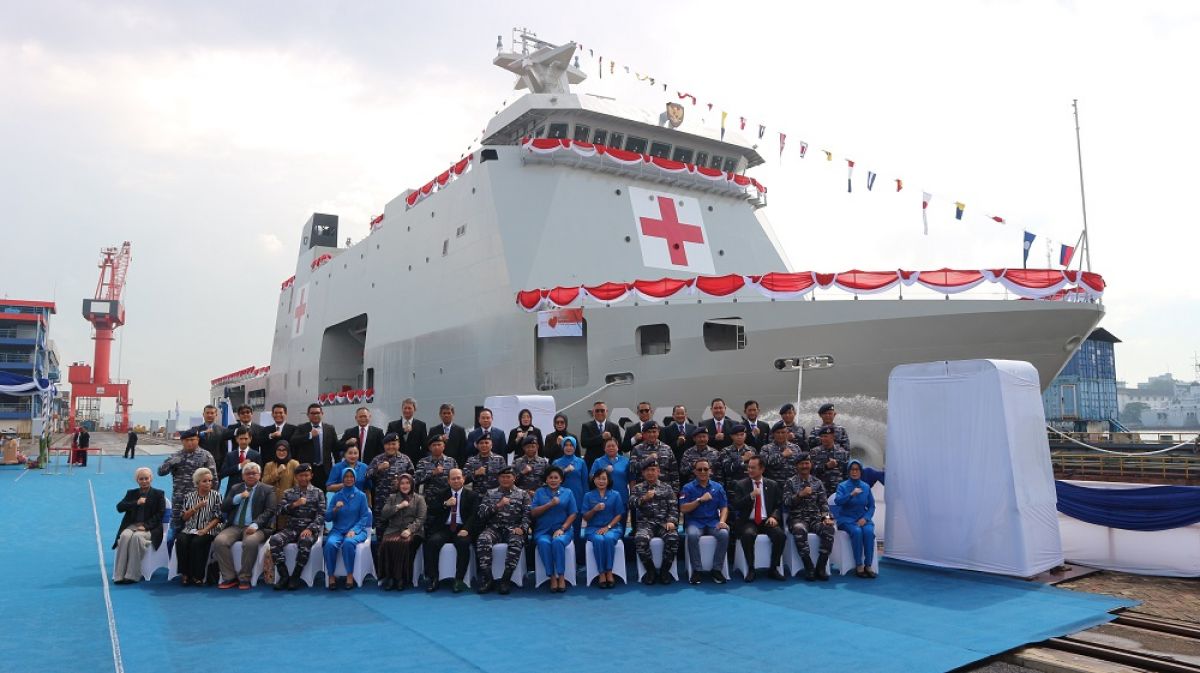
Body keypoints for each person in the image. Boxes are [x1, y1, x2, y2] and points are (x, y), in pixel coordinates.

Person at [213, 461, 277, 589]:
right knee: (219, 541)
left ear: (259, 475)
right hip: (235, 526)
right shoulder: (235, 488)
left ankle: (245, 578)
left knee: (250, 542)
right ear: (243, 476)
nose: (251, 476)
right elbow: (224, 507)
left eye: (254, 473)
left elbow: (270, 511)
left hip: (257, 528)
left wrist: (255, 525)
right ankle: (229, 577)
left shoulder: (268, 489)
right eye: (248, 473)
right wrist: (237, 498)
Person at [475, 466, 531, 595]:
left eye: (508, 477)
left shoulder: (523, 494)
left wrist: (522, 528)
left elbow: (527, 515)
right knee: (483, 539)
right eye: (502, 477)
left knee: (516, 541)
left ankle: (506, 579)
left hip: (513, 528)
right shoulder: (490, 493)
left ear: (514, 478)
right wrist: (498, 506)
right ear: (498, 479)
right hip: (494, 528)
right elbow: (481, 514)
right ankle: (488, 579)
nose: (505, 479)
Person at [731, 456, 786, 582]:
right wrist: (750, 496)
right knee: (748, 535)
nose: (749, 470)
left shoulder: (772, 484)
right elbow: (736, 505)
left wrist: (774, 516)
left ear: (762, 469)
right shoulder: (740, 484)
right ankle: (751, 568)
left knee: (780, 535)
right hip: (748, 521)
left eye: (753, 468)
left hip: (766, 520)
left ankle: (773, 568)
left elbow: (778, 505)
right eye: (749, 467)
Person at [422, 468, 478, 593]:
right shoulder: (441, 493)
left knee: (463, 544)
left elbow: (474, 515)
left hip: (462, 527)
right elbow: (432, 510)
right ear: (448, 481)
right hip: (445, 528)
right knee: (431, 543)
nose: (456, 481)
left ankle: (459, 579)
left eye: (458, 478)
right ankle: (433, 579)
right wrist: (445, 504)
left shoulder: (472, 495)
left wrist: (466, 529)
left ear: (463, 479)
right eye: (453, 479)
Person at [158, 428, 217, 540]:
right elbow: (160, 472)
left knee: (196, 534)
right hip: (179, 502)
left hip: (198, 502)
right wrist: (171, 463)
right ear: (182, 441)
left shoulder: (206, 456)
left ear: (198, 440)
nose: (190, 442)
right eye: (187, 440)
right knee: (173, 534)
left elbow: (214, 480)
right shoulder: (175, 456)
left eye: (192, 439)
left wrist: (209, 500)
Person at [783, 456, 835, 581]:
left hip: (815, 519)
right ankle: (809, 566)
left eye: (807, 463)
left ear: (811, 465)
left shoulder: (817, 482)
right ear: (797, 466)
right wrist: (799, 495)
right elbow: (786, 502)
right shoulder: (790, 482)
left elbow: (824, 504)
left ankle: (821, 567)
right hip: (797, 518)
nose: (804, 466)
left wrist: (826, 517)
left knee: (829, 529)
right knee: (799, 530)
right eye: (801, 464)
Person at [679, 458, 729, 585]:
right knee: (692, 535)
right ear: (695, 472)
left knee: (724, 534)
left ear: (710, 471)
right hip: (694, 522)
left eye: (705, 469)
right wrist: (700, 500)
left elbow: (724, 507)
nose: (702, 472)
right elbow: (683, 509)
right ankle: (697, 570)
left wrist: (722, 521)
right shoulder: (687, 488)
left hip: (713, 522)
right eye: (699, 469)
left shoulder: (718, 487)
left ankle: (717, 569)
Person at [112, 467, 166, 584]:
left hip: (150, 528)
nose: (144, 481)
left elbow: (160, 514)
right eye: (141, 479)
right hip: (132, 526)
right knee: (124, 536)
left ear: (151, 478)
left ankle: (132, 575)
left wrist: (146, 526)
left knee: (137, 537)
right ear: (137, 480)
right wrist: (136, 502)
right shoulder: (131, 493)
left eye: (146, 478)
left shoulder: (158, 494)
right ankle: (119, 575)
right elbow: (119, 507)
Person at [630, 463, 679, 585]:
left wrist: (671, 521)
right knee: (640, 539)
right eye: (647, 470)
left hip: (664, 523)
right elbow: (631, 504)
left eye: (653, 470)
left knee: (673, 537)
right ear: (643, 473)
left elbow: (674, 507)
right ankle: (650, 570)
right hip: (645, 524)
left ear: (658, 472)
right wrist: (644, 498)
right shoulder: (637, 488)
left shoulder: (667, 487)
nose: (650, 473)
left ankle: (665, 570)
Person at [531, 466, 578, 593]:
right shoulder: (539, 492)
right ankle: (552, 576)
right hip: (543, 531)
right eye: (550, 477)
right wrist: (549, 504)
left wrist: (562, 528)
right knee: (544, 543)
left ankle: (561, 576)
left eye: (556, 477)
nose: (553, 480)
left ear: (561, 480)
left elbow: (573, 513)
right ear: (546, 480)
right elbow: (533, 513)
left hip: (563, 529)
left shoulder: (568, 492)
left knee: (558, 541)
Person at [174, 467, 223, 586]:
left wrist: (205, 530)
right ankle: (185, 574)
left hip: (209, 529)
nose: (208, 483)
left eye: (210, 481)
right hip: (190, 528)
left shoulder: (216, 496)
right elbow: (184, 517)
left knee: (197, 543)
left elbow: (218, 518)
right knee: (181, 541)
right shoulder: (189, 496)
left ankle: (198, 575)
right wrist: (196, 507)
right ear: (197, 483)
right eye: (204, 481)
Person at [323, 467, 371, 589]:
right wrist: (335, 509)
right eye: (346, 477)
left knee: (348, 543)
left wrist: (354, 530)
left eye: (351, 477)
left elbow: (364, 516)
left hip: (357, 531)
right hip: (338, 530)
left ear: (355, 479)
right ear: (342, 479)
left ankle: (350, 575)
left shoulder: (361, 496)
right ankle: (331, 576)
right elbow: (327, 518)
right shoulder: (336, 496)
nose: (349, 479)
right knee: (329, 544)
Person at [377, 473, 425, 591]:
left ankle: (401, 578)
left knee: (404, 543)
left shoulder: (419, 498)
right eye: (402, 483)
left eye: (407, 483)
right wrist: (398, 506)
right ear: (398, 485)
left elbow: (421, 519)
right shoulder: (392, 497)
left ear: (412, 484)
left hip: (413, 531)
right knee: (387, 543)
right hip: (393, 529)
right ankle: (389, 577)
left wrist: (410, 530)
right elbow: (384, 514)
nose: (405, 486)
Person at [582, 469, 625, 588]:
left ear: (608, 480)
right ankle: (601, 572)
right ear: (594, 480)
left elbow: (619, 515)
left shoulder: (615, 494)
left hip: (613, 528)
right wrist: (594, 509)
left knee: (609, 539)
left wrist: (608, 527)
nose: (601, 481)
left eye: (604, 479)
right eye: (598, 478)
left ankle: (609, 571)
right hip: (593, 528)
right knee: (599, 539)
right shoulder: (588, 496)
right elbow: (585, 517)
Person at [834, 460, 877, 578]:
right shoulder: (842, 486)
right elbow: (838, 501)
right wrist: (851, 494)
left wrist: (866, 518)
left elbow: (871, 506)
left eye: (856, 469)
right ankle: (859, 565)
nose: (854, 472)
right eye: (852, 469)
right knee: (857, 532)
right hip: (846, 519)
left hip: (862, 518)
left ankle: (868, 565)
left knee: (868, 532)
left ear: (860, 471)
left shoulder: (866, 486)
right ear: (848, 472)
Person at [366, 433, 415, 528]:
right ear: (384, 446)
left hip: (400, 502)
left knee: (399, 530)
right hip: (381, 501)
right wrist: (378, 468)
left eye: (393, 444)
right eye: (388, 444)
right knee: (381, 529)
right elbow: (367, 475)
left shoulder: (406, 459)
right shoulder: (378, 459)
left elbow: (413, 478)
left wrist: (403, 483)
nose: (391, 447)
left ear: (398, 445)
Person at [553, 436, 587, 560]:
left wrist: (585, 501)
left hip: (577, 498)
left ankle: (577, 558)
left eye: (571, 445)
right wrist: (564, 471)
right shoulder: (556, 463)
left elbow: (585, 483)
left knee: (576, 529)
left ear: (575, 447)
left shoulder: (581, 462)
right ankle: (563, 558)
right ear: (562, 447)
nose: (568, 448)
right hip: (561, 500)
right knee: (561, 527)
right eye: (566, 445)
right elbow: (552, 481)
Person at [290, 403, 337, 488]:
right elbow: (293, 441)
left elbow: (335, 447)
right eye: (312, 413)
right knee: (306, 492)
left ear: (322, 414)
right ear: (308, 415)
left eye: (317, 413)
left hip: (324, 469)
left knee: (323, 493)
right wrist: (309, 435)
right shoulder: (301, 427)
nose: (315, 415)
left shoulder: (329, 428)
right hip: (306, 469)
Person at [629, 422, 679, 489]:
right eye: (649, 432)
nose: (652, 434)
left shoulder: (667, 448)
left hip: (664, 490)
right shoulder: (637, 449)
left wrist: (675, 490)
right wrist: (647, 460)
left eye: (654, 432)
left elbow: (674, 471)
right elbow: (632, 469)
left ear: (658, 432)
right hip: (643, 490)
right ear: (643, 434)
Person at [219, 427, 262, 496]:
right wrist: (239, 466)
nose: (243, 441)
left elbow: (259, 475)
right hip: (233, 491)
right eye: (241, 439)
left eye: (246, 439)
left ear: (250, 439)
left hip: (250, 491)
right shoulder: (230, 455)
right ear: (236, 439)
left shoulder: (256, 455)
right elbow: (223, 473)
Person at [589, 437, 630, 507]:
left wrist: (632, 495)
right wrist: (604, 470)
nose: (611, 448)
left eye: (613, 446)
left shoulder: (625, 461)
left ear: (617, 447)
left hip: (622, 497)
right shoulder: (598, 461)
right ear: (604, 449)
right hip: (602, 500)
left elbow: (632, 479)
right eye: (608, 446)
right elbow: (591, 478)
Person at [385, 398, 427, 465]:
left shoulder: (421, 425)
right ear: (402, 409)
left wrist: (421, 460)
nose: (407, 410)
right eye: (405, 408)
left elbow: (424, 445)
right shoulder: (392, 425)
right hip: (395, 461)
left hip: (415, 462)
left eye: (409, 408)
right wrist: (403, 431)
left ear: (414, 409)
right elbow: (387, 440)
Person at [810, 426, 851, 495]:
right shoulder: (814, 452)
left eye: (826, 436)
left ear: (833, 437)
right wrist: (826, 466)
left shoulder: (842, 452)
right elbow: (811, 472)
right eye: (822, 436)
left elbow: (846, 473)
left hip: (838, 490)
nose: (823, 439)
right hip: (820, 490)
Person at [579, 401, 621, 469]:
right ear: (593, 412)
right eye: (597, 411)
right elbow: (584, 443)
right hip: (592, 463)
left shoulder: (614, 427)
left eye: (602, 410)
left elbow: (619, 446)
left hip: (610, 463)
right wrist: (601, 437)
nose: (599, 413)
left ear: (606, 411)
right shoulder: (586, 426)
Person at [194, 405, 228, 482]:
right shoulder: (196, 430)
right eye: (207, 413)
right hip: (199, 466)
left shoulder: (223, 430)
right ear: (203, 414)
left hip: (216, 467)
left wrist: (222, 468)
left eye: (212, 413)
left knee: (214, 488)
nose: (209, 415)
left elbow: (224, 450)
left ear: (216, 415)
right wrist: (202, 433)